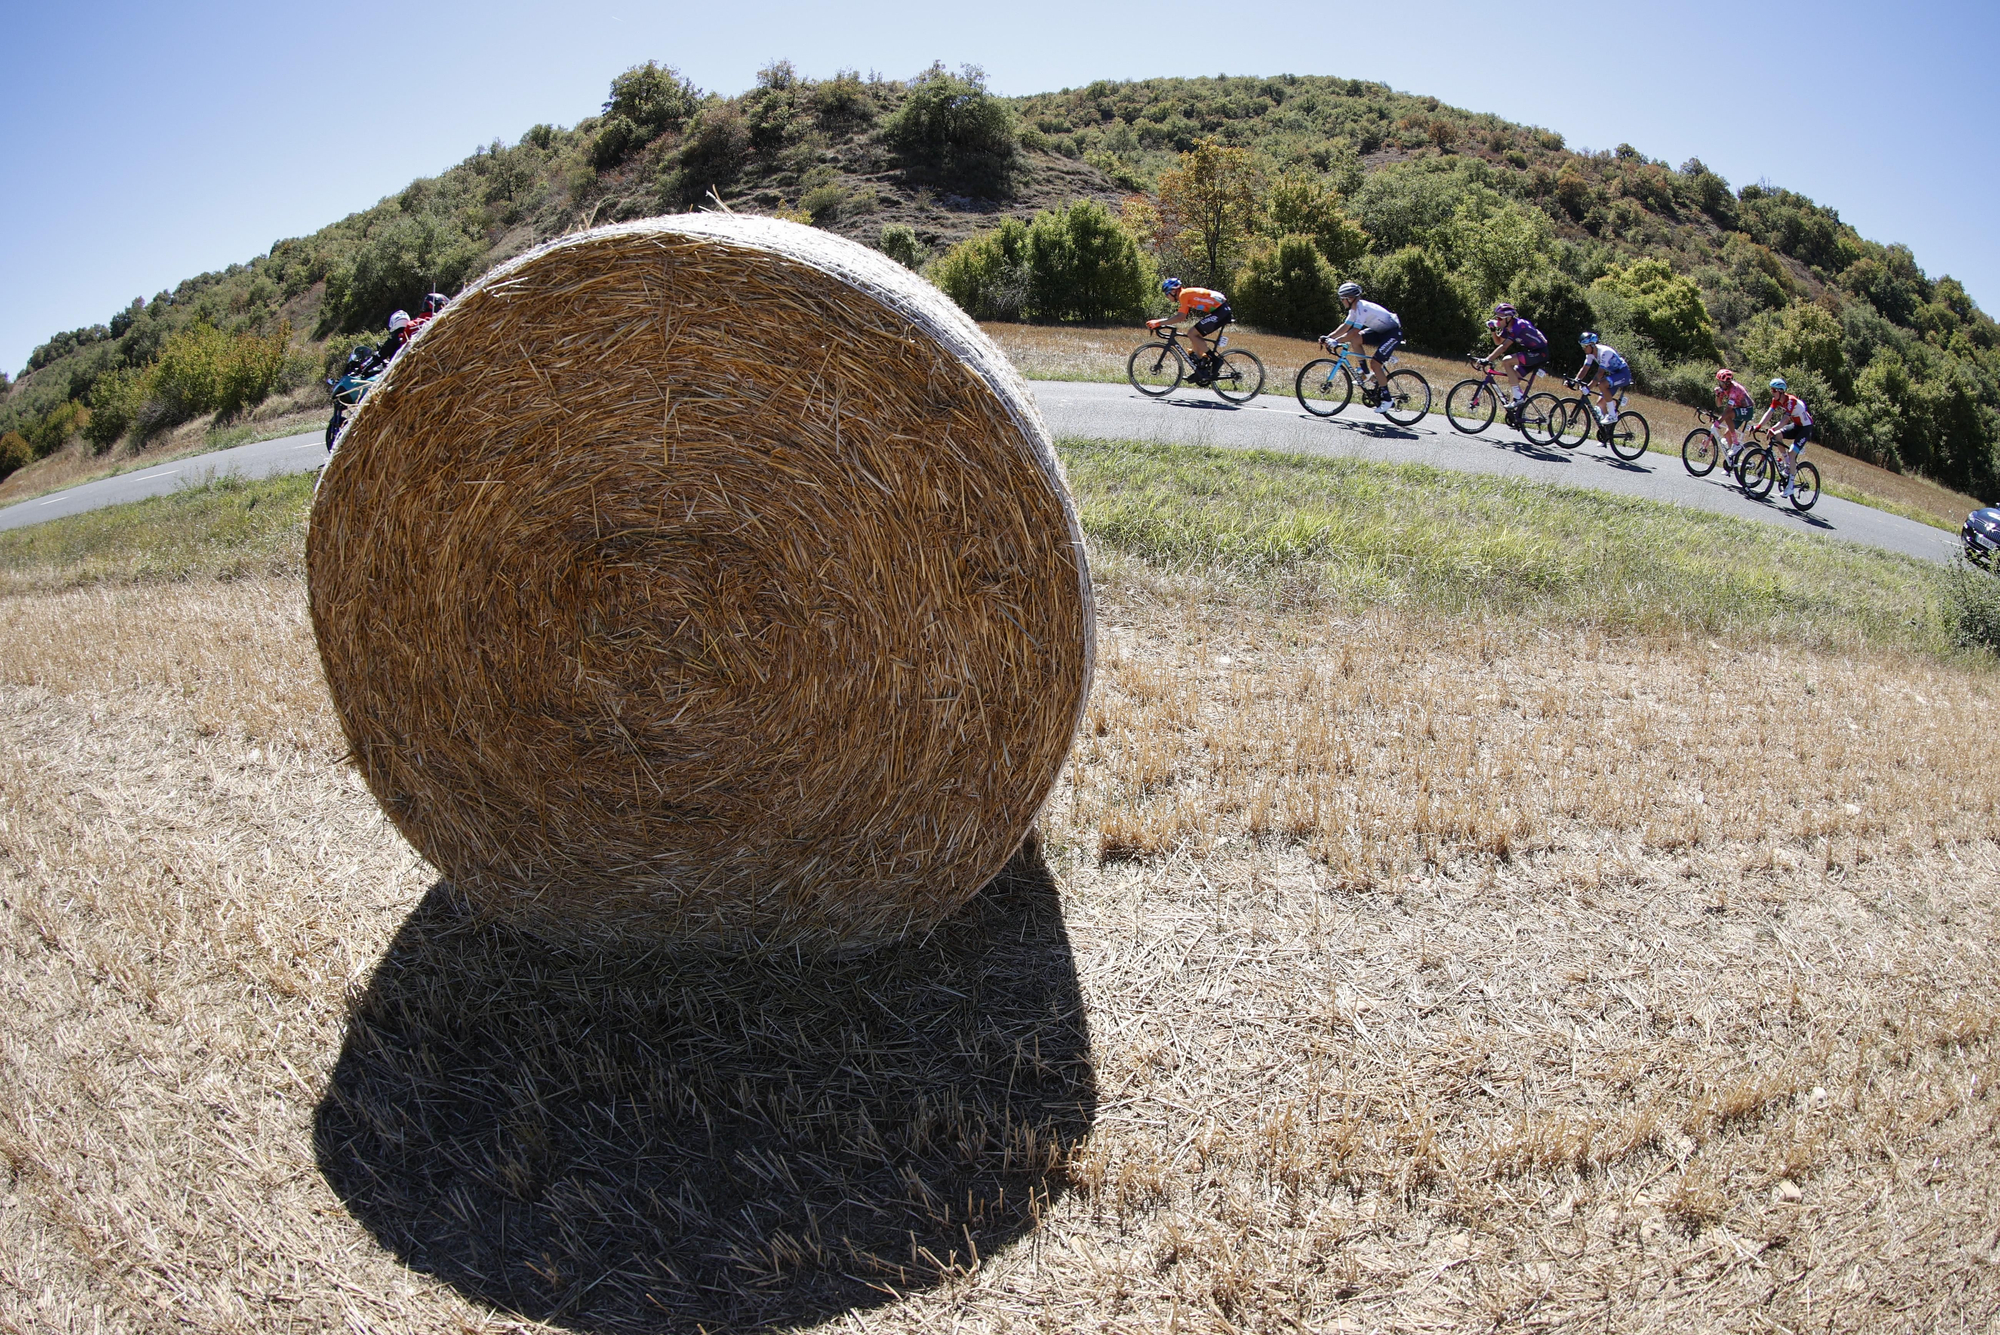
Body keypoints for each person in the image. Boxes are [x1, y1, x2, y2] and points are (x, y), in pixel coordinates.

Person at [1326, 281, 1404, 414]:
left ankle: (1387, 399)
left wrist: (1336, 341)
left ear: (1349, 298)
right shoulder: (1354, 309)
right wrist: (1328, 337)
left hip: (1392, 333)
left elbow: (1354, 331)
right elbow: (1345, 326)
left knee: (1375, 363)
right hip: (1381, 332)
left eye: (1342, 298)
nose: (1341, 301)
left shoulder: (1362, 308)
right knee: (1355, 340)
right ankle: (1366, 373)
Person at [1152, 278, 1233, 384]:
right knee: (1195, 339)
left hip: (1221, 312)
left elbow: (1180, 317)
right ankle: (1201, 371)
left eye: (1166, 294)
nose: (1166, 297)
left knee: (1192, 333)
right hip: (1220, 311)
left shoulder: (1183, 295)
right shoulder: (1185, 295)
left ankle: (1215, 360)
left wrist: (1159, 323)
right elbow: (1181, 316)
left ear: (1172, 291)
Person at [1482, 301, 1550, 423]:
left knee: (1507, 361)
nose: (1497, 320)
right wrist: (1493, 330)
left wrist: (1487, 359)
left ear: (1508, 318)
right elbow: (1498, 342)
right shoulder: (1506, 328)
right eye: (1496, 317)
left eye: (1499, 318)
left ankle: (1518, 399)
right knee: (1514, 377)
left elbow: (1503, 347)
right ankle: (1519, 411)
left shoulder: (1518, 325)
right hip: (1533, 352)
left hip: (1540, 353)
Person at [1752, 377, 1815, 500]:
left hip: (1805, 428)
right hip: (1797, 425)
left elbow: (1785, 420)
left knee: (1792, 452)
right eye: (1771, 390)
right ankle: (1787, 463)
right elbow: (1769, 413)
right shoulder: (1776, 400)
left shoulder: (1791, 401)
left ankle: (1790, 486)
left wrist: (1773, 428)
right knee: (1778, 436)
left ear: (1781, 391)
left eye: (1774, 390)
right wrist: (1759, 425)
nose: (1772, 392)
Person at [1574, 332, 1632, 441]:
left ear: (1592, 345)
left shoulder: (1605, 352)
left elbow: (1600, 373)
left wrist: (1589, 387)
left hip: (1624, 374)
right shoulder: (1590, 354)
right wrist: (1576, 380)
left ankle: (1612, 415)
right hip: (1615, 375)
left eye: (1584, 346)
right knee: (1600, 404)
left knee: (1602, 383)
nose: (1583, 349)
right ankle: (1606, 435)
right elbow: (1585, 369)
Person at [1713, 368, 1755, 467]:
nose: (1719, 384)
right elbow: (1718, 404)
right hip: (1738, 410)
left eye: (1720, 382)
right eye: (1718, 381)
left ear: (1727, 383)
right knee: (1727, 435)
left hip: (1747, 410)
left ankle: (1736, 444)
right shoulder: (1725, 388)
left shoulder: (1734, 390)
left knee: (1727, 415)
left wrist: (1718, 422)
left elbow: (1728, 410)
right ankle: (1731, 463)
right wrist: (1718, 395)